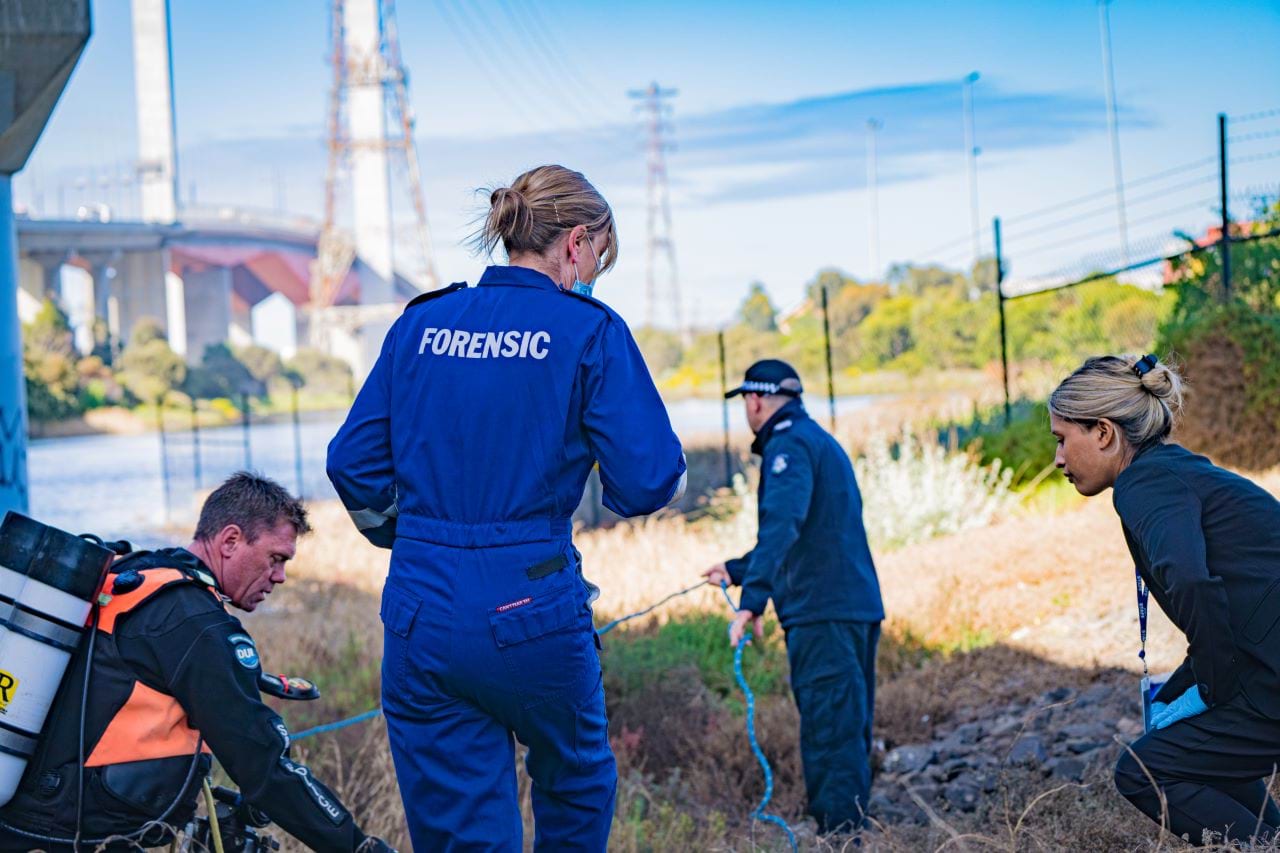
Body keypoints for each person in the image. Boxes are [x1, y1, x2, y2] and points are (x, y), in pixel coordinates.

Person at [326, 164, 686, 852]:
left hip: (420, 604)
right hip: (532, 599)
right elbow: (648, 479)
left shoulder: (422, 322)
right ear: (576, 243)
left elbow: (352, 462)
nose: (597, 273)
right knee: (574, 787)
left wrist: (413, 534)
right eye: (601, 257)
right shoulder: (588, 330)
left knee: (460, 829)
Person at [0, 472, 388, 852]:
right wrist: (357, 846)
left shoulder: (139, 573)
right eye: (275, 558)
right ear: (231, 540)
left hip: (27, 817)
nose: (281, 577)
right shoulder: (197, 625)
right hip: (86, 836)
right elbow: (263, 765)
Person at [1050, 354, 1280, 845]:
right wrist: (1200, 685)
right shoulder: (1168, 469)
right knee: (1179, 708)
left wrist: (1218, 685)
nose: (1059, 460)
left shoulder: (1144, 484)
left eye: (1062, 439)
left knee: (1140, 772)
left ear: (1105, 433)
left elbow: (1192, 582)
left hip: (1271, 666)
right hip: (1266, 648)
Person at [703, 359, 884, 835]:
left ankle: (841, 837)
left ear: (756, 401)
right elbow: (811, 532)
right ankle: (847, 825)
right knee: (844, 726)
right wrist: (740, 571)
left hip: (824, 614)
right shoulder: (815, 439)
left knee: (831, 732)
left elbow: (784, 525)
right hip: (848, 606)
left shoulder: (788, 447)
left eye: (746, 401)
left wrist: (752, 599)